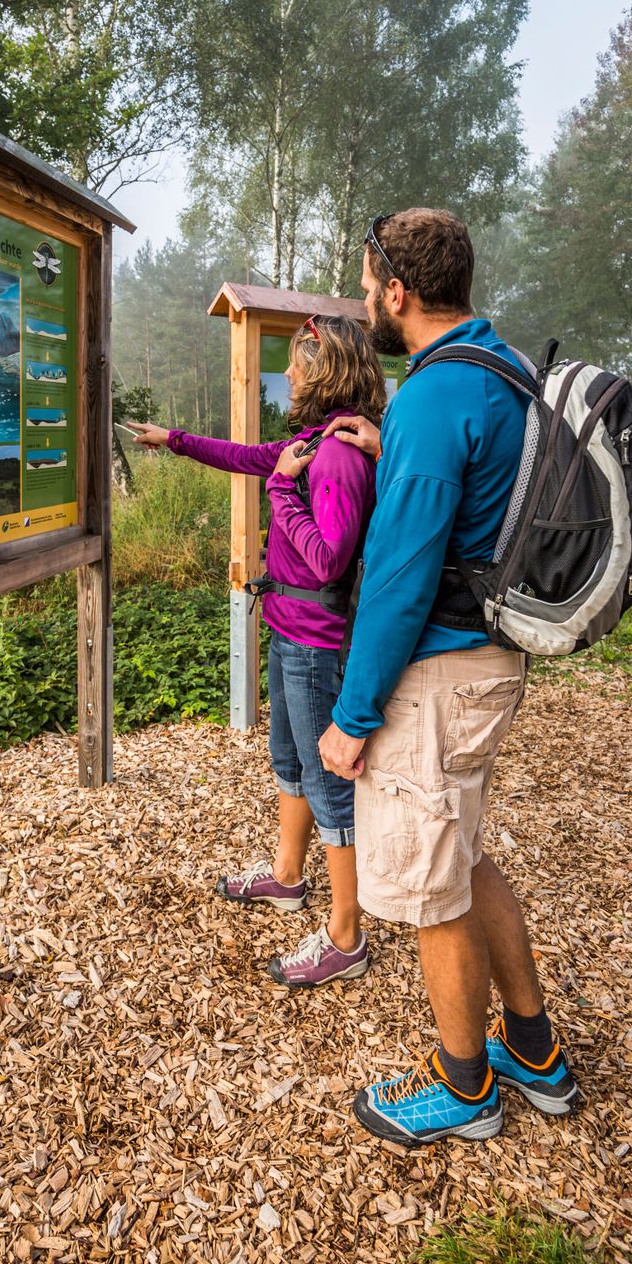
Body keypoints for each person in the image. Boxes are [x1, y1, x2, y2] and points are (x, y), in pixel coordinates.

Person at [318, 207, 579, 1146]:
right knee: (462, 855)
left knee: (429, 887)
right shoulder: (502, 372)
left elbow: (397, 577)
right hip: (493, 655)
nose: (363, 300)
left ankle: (465, 1084)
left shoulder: (431, 395)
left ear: (398, 290)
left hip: (436, 673)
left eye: (365, 283)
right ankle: (536, 1051)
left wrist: (352, 714)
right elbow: (474, 495)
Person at [127, 316, 383, 988]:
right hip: (291, 631)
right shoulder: (314, 440)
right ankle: (289, 877)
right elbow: (248, 457)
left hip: (314, 643)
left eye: (299, 362)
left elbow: (327, 558)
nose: (289, 373)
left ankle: (347, 935)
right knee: (293, 764)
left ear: (325, 371)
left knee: (328, 783)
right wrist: (174, 441)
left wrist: (279, 493)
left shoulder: (338, 455)